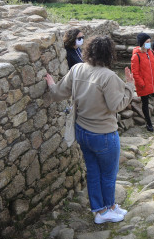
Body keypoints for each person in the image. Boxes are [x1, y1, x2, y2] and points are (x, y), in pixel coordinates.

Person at [44, 36, 135, 224]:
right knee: (108, 174)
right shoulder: (108, 76)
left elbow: (59, 92)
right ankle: (109, 207)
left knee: (93, 172)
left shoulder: (77, 69)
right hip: (103, 134)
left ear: (88, 51)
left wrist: (51, 84)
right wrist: (129, 86)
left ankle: (100, 210)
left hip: (83, 131)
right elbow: (116, 105)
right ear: (109, 53)